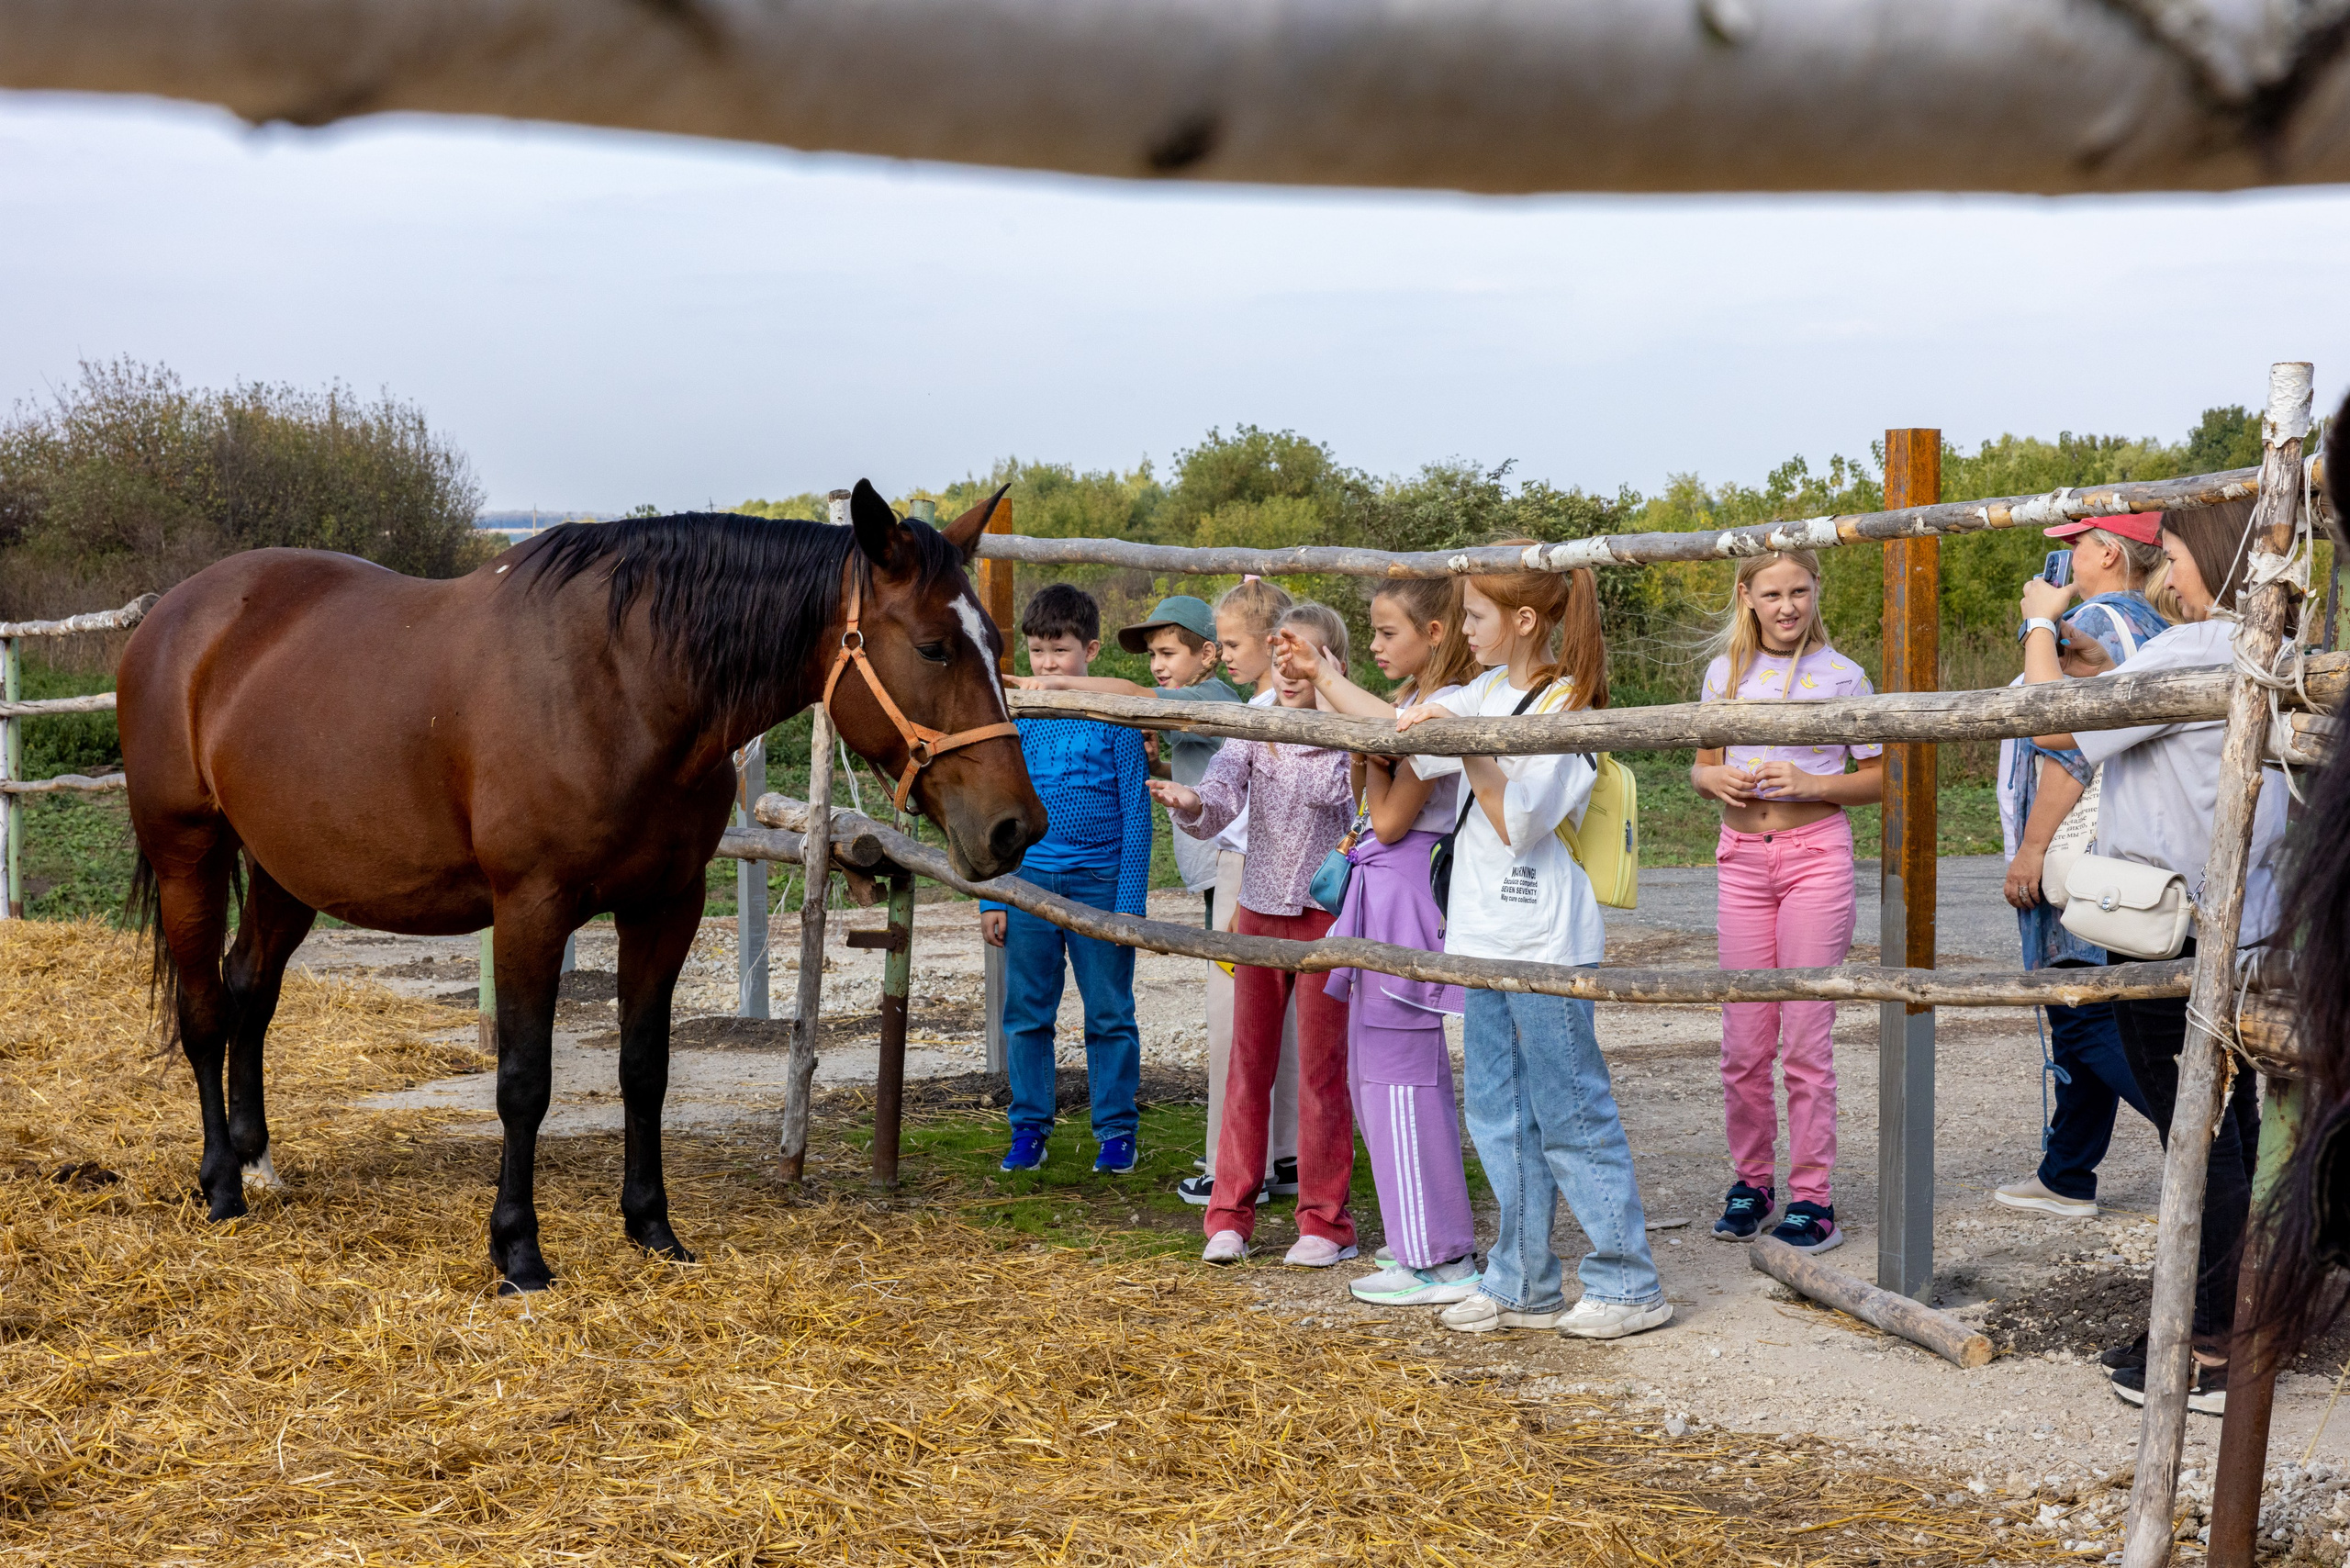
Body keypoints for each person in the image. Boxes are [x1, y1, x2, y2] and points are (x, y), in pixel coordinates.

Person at [2021, 495, 2289, 1417]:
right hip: (2243, 922)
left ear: (2212, 559)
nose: (2167, 574)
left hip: (2170, 928)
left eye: (2174, 556)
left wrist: (2040, 624)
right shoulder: (2265, 648)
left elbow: (2050, 725)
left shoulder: (2192, 648)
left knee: (2198, 1134)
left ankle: (2210, 1347)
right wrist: (2106, 669)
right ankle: (2217, 1319)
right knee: (2230, 1120)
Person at [1395, 548, 1672, 1339]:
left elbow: (1518, 822)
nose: (1464, 629)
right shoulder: (1482, 690)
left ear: (1522, 620)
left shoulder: (1567, 707)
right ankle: (1520, 1279)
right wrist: (1321, 674)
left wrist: (1468, 743)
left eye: (1475, 616)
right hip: (1481, 933)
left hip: (1545, 939)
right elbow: (1410, 738)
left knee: (1570, 1109)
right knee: (1497, 1110)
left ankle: (1629, 1282)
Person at [1274, 576, 1485, 1305]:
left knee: (1402, 1079)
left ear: (1434, 633)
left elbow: (1389, 820)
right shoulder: (1406, 703)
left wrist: (1364, 737)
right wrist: (1363, 737)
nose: (1376, 644)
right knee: (1374, 1078)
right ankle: (1413, 1240)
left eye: (1388, 632)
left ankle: (1441, 1258)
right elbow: (1369, 787)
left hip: (1402, 899)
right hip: (1379, 895)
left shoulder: (1443, 706)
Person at [1688, 550, 1884, 1253]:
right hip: (1741, 862)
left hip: (1815, 859)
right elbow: (1702, 766)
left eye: (1799, 591)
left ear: (1815, 591)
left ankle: (1812, 1198)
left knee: (1805, 1038)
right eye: (1772, 594)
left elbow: (1882, 778)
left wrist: (1811, 783)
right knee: (1743, 1041)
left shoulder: (1844, 676)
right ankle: (1752, 1183)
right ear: (1746, 596)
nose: (1787, 606)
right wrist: (1714, 783)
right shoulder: (1724, 675)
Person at [1154, 603, 1358, 1265]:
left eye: (1305, 658)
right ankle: (1229, 1217)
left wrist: (1320, 709)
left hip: (1326, 919)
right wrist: (1193, 803)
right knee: (1249, 1064)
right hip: (1260, 912)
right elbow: (1220, 791)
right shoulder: (1254, 721)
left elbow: (1340, 795)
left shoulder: (1354, 727)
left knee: (1322, 1072)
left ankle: (1324, 1223)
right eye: (1281, 657)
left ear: (1333, 664)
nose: (1289, 670)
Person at [1992, 515, 2169, 1219]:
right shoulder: (2152, 625)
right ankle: (2066, 1172)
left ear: (2109, 551)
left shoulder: (2093, 622)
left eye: (2076, 544)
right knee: (2090, 1008)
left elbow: (2064, 743)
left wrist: (2033, 846)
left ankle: (2210, 1139)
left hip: (2081, 853)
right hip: (2125, 850)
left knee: (2081, 1007)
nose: (2065, 557)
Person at [980, 584, 1154, 1177]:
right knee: (1027, 1012)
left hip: (1101, 884)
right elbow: (998, 807)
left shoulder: (1114, 718)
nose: (1048, 665)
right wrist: (993, 897)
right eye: (1037, 652)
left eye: (1061, 651)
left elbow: (1137, 814)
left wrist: (1129, 903)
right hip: (1027, 883)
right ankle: (1029, 1127)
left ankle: (1116, 1130)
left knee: (1109, 1012)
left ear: (1091, 651)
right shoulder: (1019, 716)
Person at [1178, 577, 1303, 1208]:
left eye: (1230, 644)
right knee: (1289, 1021)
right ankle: (1285, 1153)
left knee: (1234, 1021)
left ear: (1272, 641)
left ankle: (1227, 1162)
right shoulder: (1299, 703)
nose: (1223, 655)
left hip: (1247, 871)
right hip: (1290, 872)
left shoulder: (1258, 712)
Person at [1010, 593, 1238, 921]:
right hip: (1215, 856)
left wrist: (1059, 683)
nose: (1156, 665)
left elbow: (1134, 694)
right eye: (1152, 654)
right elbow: (1212, 771)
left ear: (1205, 654)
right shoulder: (1188, 699)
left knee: (1229, 944)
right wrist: (1159, 767)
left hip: (1229, 854)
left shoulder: (1211, 697)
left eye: (1167, 653)